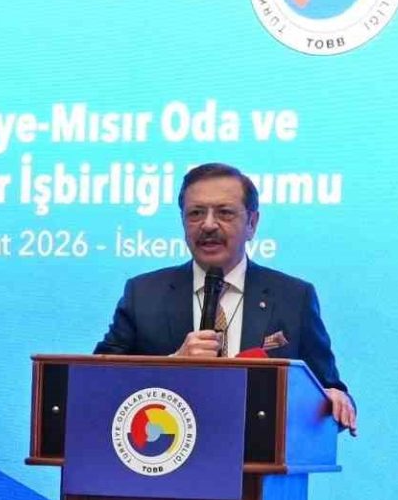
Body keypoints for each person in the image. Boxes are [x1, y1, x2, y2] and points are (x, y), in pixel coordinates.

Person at [94, 162, 357, 434]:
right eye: (196, 213)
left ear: (252, 223)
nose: (208, 225)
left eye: (224, 213)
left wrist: (333, 400)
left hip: (257, 455)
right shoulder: (144, 294)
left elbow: (331, 391)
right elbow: (97, 382)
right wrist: (172, 363)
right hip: (165, 449)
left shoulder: (293, 297)